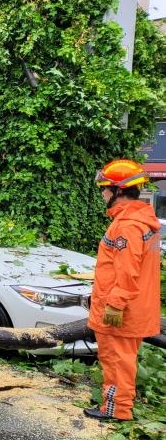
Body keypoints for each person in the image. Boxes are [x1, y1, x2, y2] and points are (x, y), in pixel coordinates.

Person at [84, 159, 161, 421]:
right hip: (134, 306)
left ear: (118, 191)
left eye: (105, 188)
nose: (103, 193)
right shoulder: (140, 221)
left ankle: (116, 409)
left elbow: (127, 272)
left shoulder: (127, 226)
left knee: (117, 361)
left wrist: (115, 304)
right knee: (122, 360)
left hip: (121, 310)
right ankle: (118, 405)